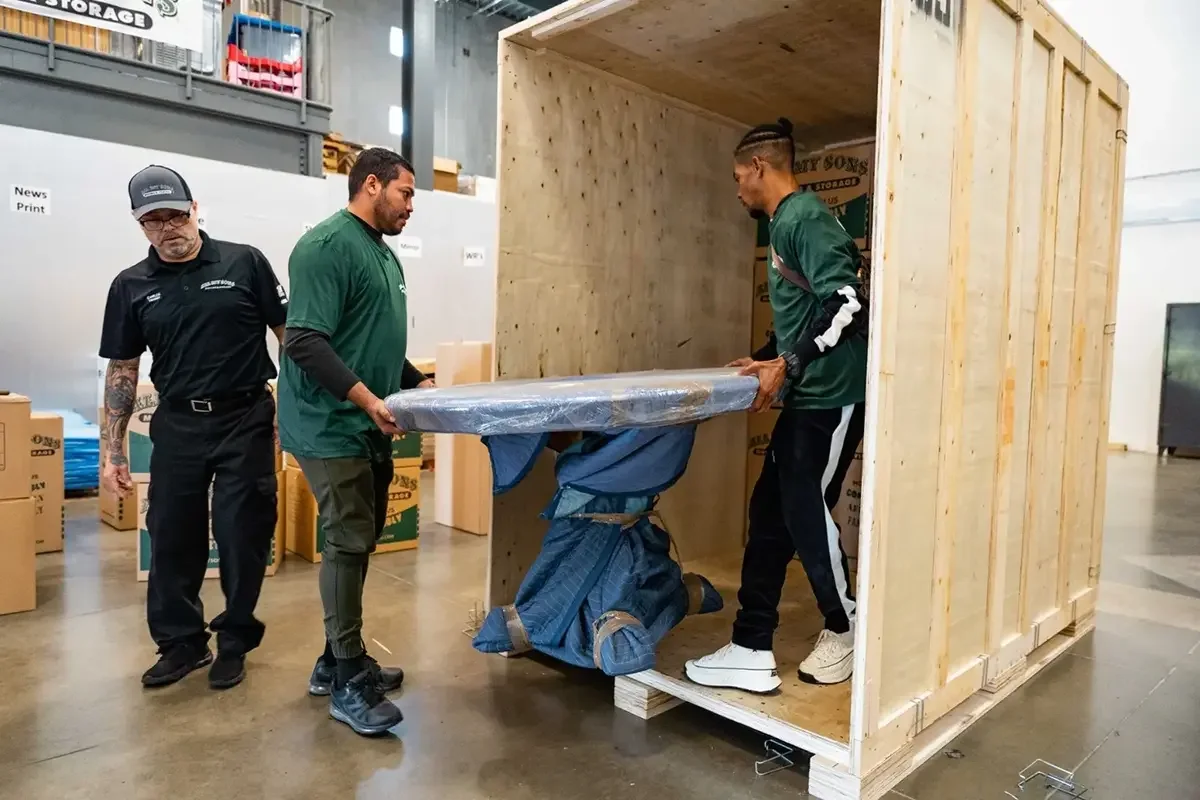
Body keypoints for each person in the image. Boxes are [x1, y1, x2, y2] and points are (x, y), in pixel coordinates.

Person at [685, 118, 868, 692]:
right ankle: (750, 645)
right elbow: (806, 314)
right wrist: (765, 357)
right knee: (770, 513)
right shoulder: (786, 222)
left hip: (832, 396)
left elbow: (846, 302)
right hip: (809, 395)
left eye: (739, 176)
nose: (738, 188)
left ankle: (846, 628)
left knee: (804, 511)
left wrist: (787, 363)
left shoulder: (803, 217)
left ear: (760, 168)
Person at [100, 165, 288, 690]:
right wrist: (112, 451)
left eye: (176, 215)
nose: (168, 228)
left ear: (195, 209)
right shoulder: (131, 285)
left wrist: (291, 414)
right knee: (170, 535)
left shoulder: (244, 262)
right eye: (153, 220)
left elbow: (290, 338)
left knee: (242, 533)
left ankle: (235, 640)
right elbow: (122, 369)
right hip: (179, 422)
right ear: (139, 224)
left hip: (246, 417)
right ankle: (182, 643)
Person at [277, 148, 433, 736]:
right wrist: (369, 400)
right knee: (346, 539)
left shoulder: (382, 253)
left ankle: (333, 659)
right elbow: (304, 342)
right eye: (405, 193)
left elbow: (373, 340)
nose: (410, 206)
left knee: (360, 539)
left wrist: (418, 382)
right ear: (372, 184)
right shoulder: (325, 247)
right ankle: (347, 680)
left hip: (366, 421)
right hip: (327, 422)